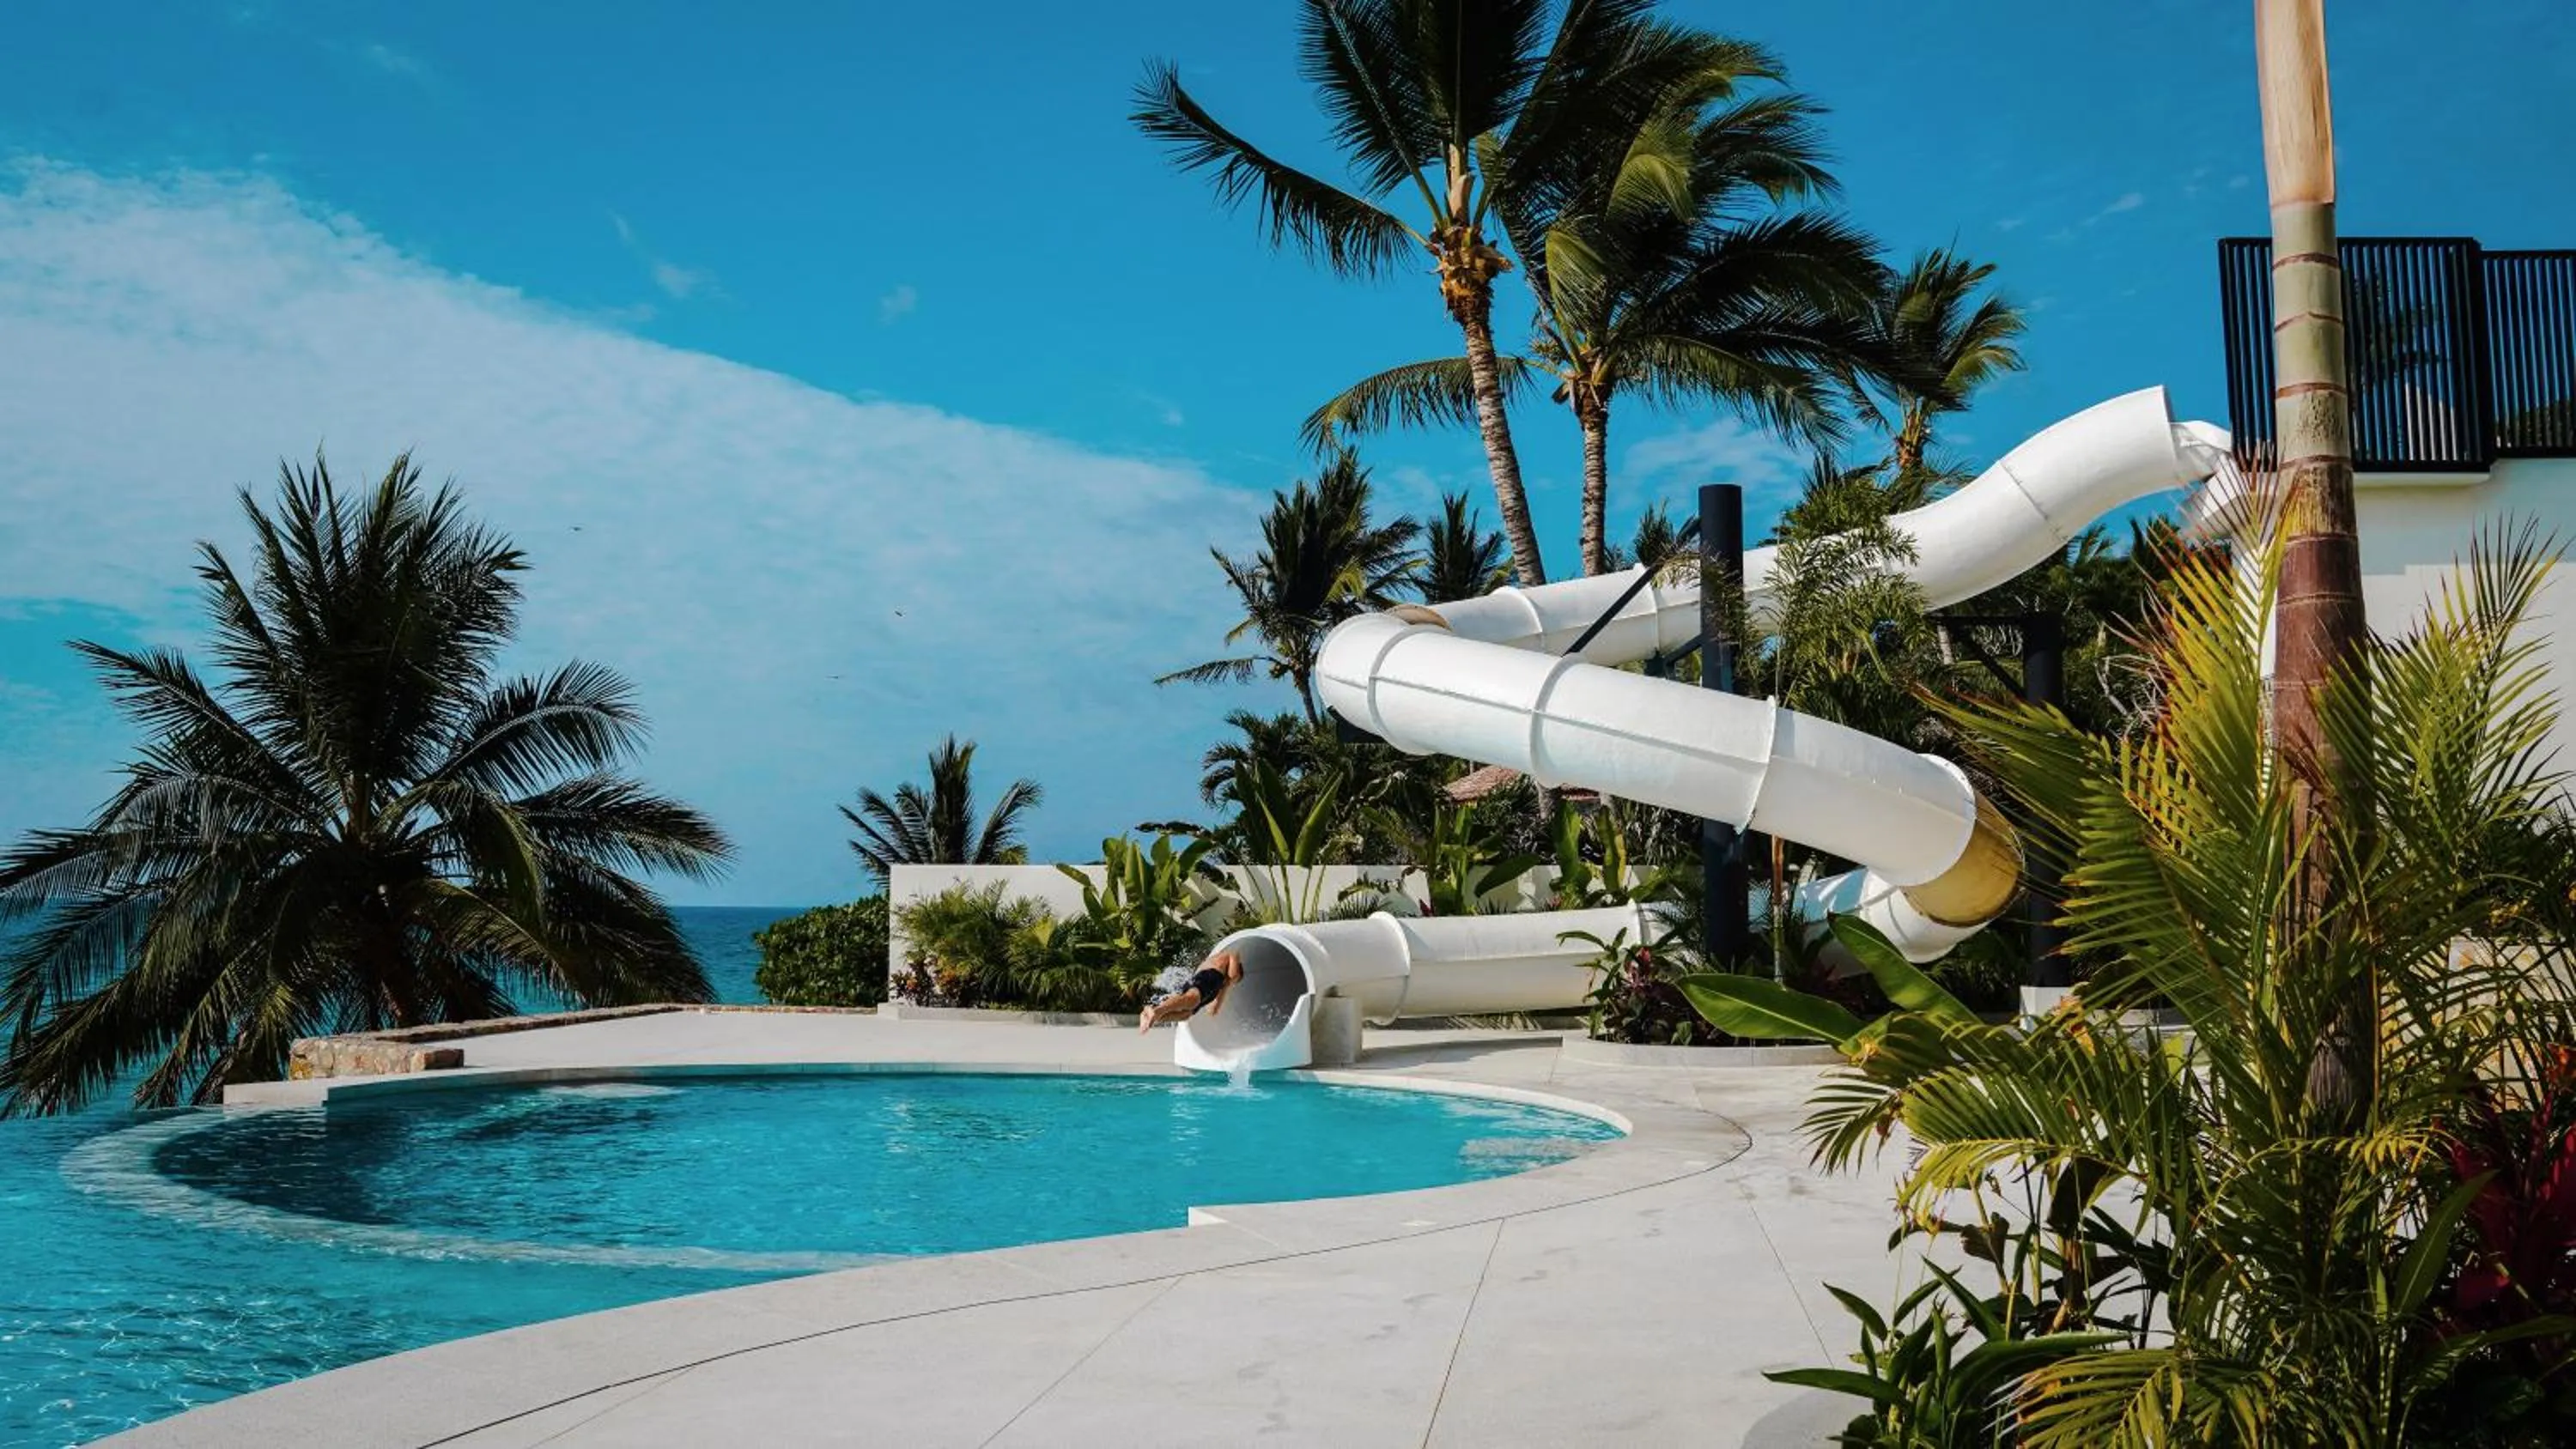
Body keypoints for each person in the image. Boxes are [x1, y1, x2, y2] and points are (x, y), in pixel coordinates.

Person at [1137, 949, 1243, 1034]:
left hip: (1205, 987)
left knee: (1185, 1014)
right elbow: (1234, 957)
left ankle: (1151, 1015)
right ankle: (1157, 1011)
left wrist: (1225, 987)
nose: (1232, 983)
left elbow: (1212, 1011)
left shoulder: (1221, 985)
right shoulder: (1223, 960)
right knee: (1192, 1000)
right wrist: (1231, 980)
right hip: (1207, 977)